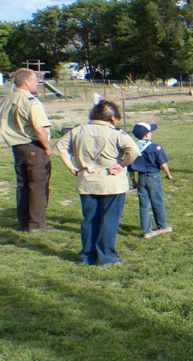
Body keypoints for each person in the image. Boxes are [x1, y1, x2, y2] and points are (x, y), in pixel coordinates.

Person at [53, 100, 140, 265]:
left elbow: (59, 148)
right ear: (112, 117)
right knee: (109, 220)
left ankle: (87, 256)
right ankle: (107, 257)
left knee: (90, 220)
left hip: (86, 181)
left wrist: (71, 167)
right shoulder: (116, 134)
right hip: (111, 182)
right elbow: (134, 151)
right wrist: (121, 165)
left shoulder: (77, 131)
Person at [0, 68, 54, 232]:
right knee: (38, 185)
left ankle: (24, 221)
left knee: (22, 184)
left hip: (17, 146)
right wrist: (47, 147)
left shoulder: (8, 99)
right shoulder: (31, 101)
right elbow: (39, 129)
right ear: (27, 82)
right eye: (35, 80)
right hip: (32, 145)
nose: (36, 83)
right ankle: (36, 223)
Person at [128, 122, 173, 239]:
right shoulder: (155, 147)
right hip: (153, 177)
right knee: (157, 201)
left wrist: (133, 181)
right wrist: (168, 174)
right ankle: (162, 225)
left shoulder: (133, 148)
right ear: (147, 135)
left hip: (141, 177)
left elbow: (130, 167)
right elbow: (163, 164)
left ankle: (146, 230)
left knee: (143, 204)